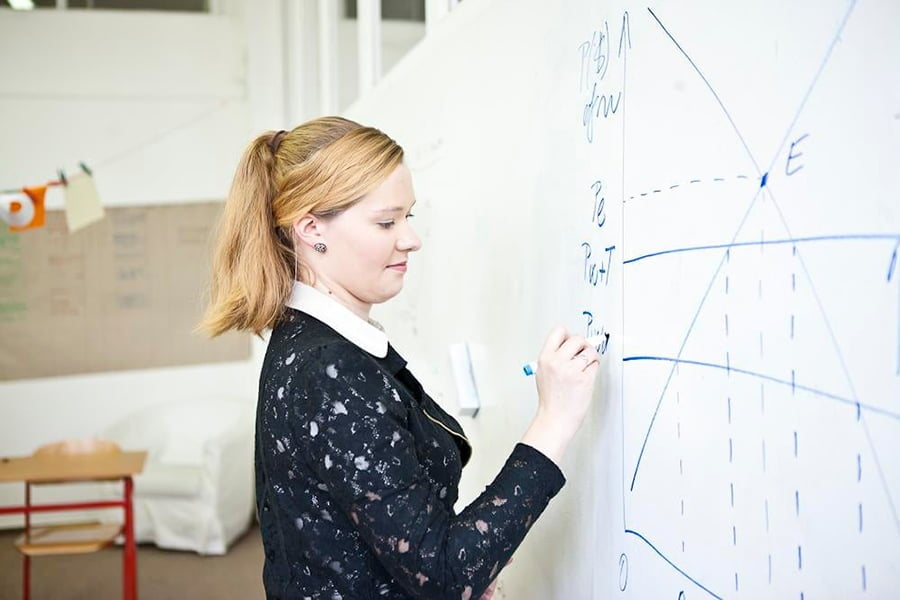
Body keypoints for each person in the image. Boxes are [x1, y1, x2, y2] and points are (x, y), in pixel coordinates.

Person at [201, 116, 601, 600]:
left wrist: (467, 558)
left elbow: (389, 534)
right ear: (310, 229)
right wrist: (554, 421)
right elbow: (445, 575)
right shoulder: (331, 371)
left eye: (408, 217)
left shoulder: (316, 341)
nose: (411, 238)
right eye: (386, 222)